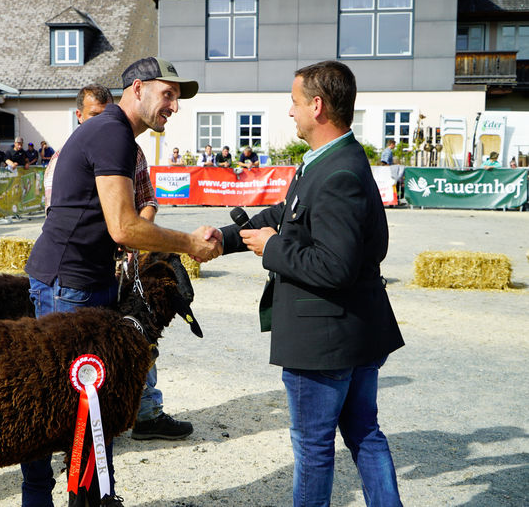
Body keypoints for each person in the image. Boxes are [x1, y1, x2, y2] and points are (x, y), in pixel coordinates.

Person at [23, 56, 220, 507]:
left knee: (91, 404)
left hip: (81, 281)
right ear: (137, 89)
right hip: (67, 285)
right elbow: (124, 228)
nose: (173, 106)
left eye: (176, 97)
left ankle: (91, 496)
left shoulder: (119, 136)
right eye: (167, 94)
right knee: (63, 405)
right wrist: (188, 243)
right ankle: (54, 498)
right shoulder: (112, 132)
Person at [208, 60, 404, 507]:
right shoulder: (328, 161)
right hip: (351, 330)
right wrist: (225, 238)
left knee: (315, 448)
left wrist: (272, 249)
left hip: (325, 339)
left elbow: (333, 266)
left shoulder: (337, 175)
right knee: (364, 433)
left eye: (295, 103)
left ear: (317, 106)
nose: (290, 112)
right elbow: (285, 216)